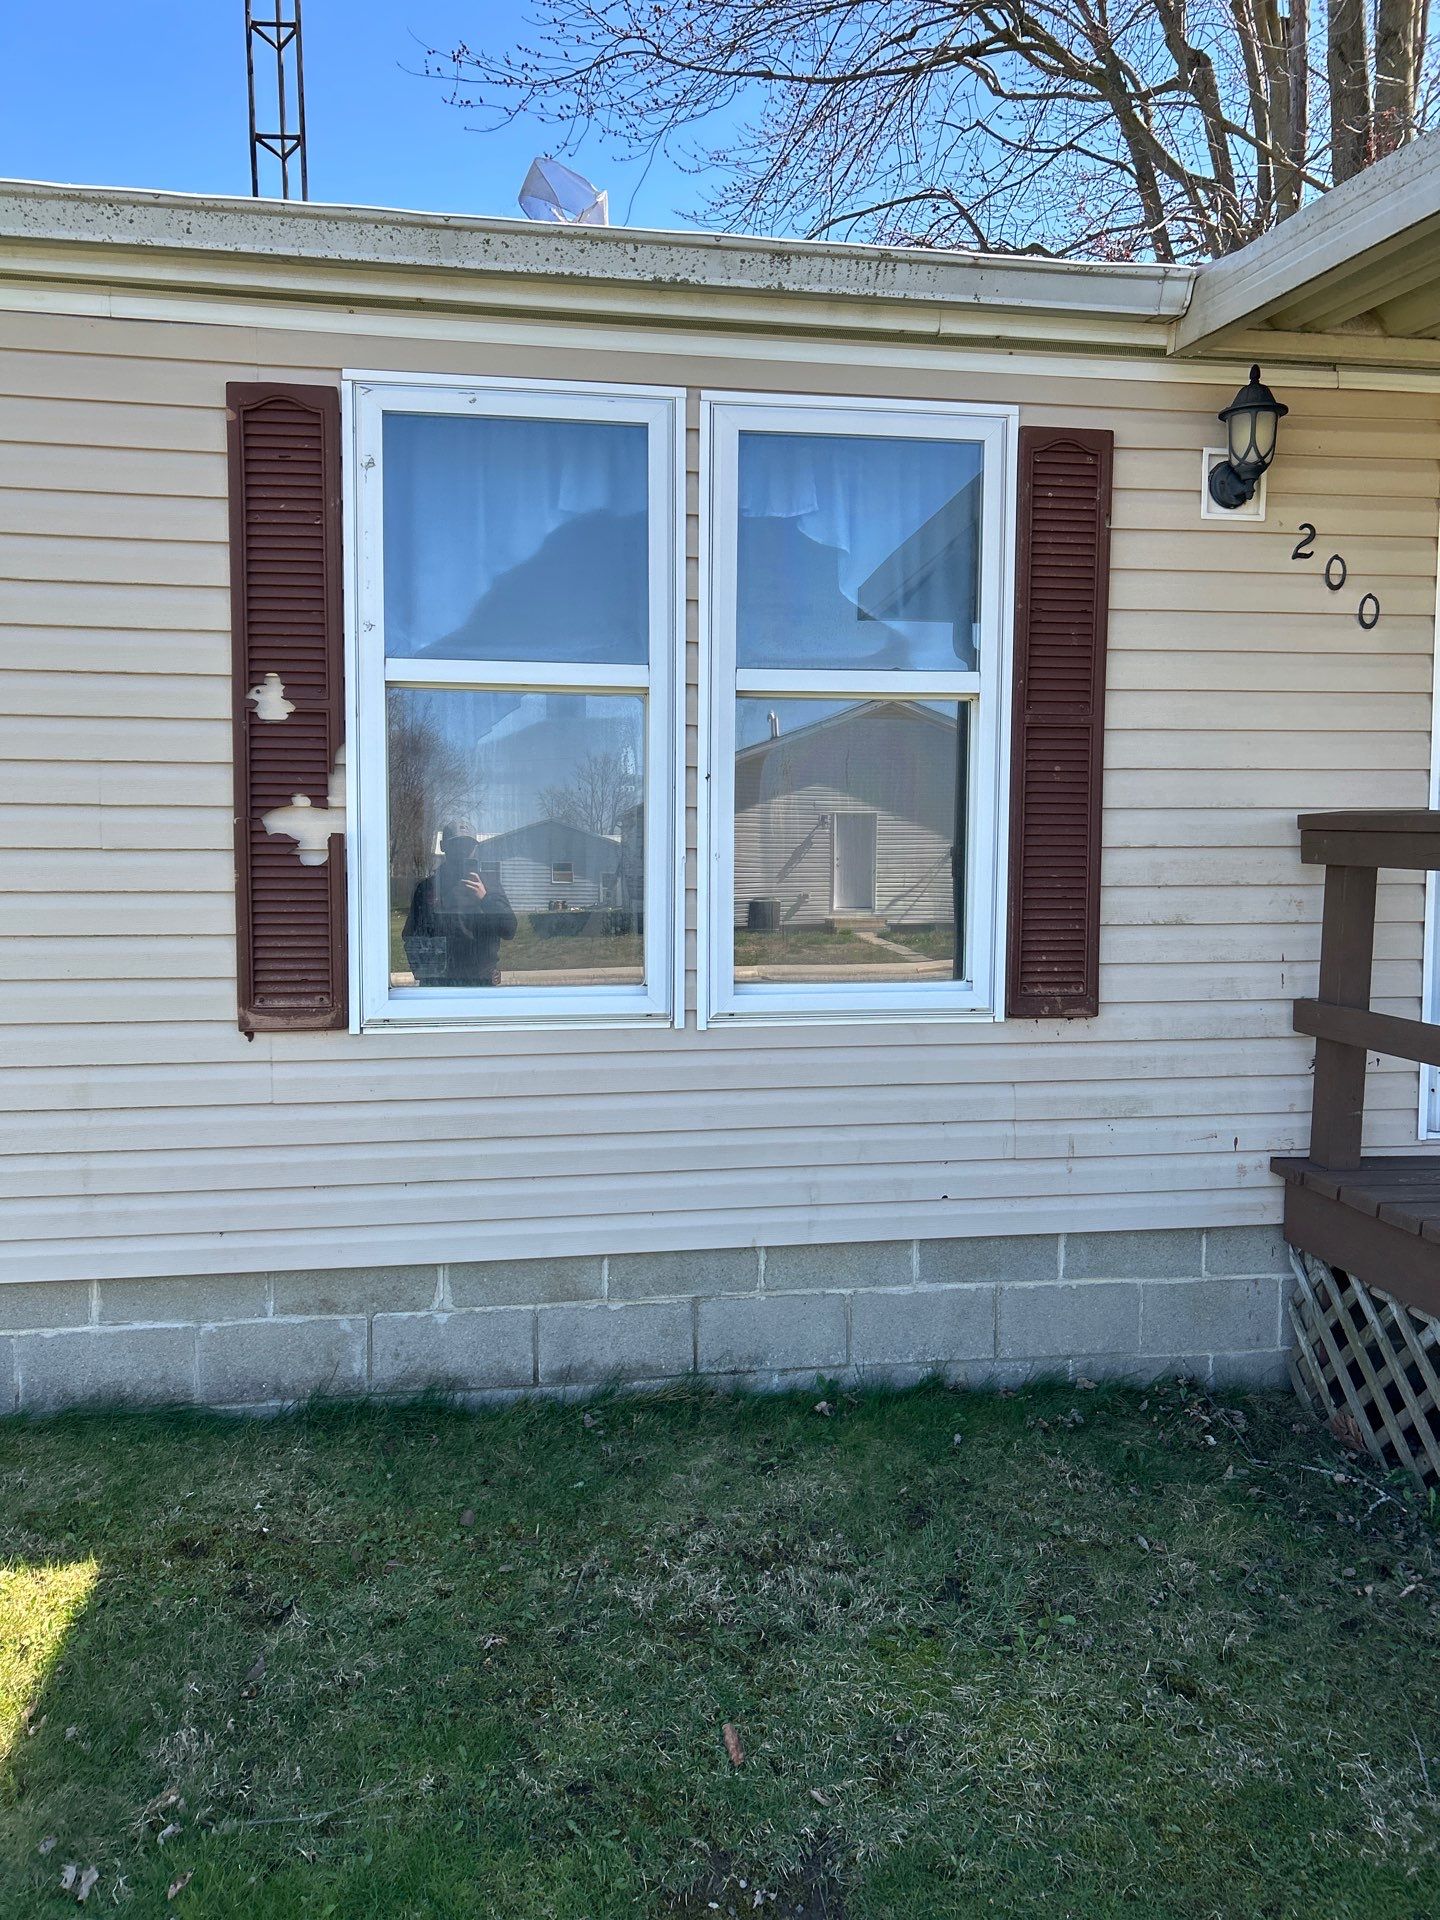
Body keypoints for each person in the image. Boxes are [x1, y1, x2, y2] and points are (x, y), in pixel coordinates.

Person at [403, 820, 517, 987]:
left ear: (475, 848)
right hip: (438, 982)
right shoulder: (428, 888)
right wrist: (423, 971)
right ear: (443, 846)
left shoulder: (489, 885)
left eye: (468, 846)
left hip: (480, 981)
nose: (462, 852)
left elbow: (509, 930)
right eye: (456, 845)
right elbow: (411, 936)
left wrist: (485, 898)